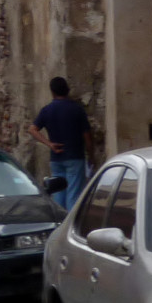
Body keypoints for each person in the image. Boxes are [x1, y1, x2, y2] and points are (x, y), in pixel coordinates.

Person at [28, 76, 94, 211]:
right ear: (67, 90)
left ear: (52, 92)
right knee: (74, 195)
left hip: (56, 158)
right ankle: (70, 225)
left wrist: (49, 144)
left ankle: (60, 223)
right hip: (75, 157)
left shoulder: (47, 110)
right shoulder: (77, 109)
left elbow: (32, 129)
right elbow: (87, 136)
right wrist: (91, 155)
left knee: (58, 194)